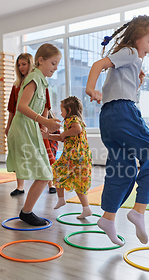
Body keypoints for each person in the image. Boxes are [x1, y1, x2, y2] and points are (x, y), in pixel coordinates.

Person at [85, 15, 149, 245]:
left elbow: (118, 83)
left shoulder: (130, 58)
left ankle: (108, 218)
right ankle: (138, 211)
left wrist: (137, 80)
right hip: (123, 111)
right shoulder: (129, 52)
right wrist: (91, 90)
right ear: (137, 37)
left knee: (123, 168)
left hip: (109, 117)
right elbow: (98, 65)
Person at [6, 43, 62, 226]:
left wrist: (43, 125)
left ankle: (27, 211)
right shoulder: (34, 78)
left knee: (46, 172)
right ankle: (26, 212)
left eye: (57, 64)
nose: (55, 68)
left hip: (30, 129)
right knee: (45, 174)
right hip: (22, 130)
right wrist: (44, 121)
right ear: (41, 60)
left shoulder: (41, 80)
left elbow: (40, 107)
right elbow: (21, 106)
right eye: (53, 63)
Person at [6, 53, 55, 197]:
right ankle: (20, 187)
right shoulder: (17, 86)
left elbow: (46, 106)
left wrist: (44, 124)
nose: (21, 67)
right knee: (20, 155)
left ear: (31, 63)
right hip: (22, 124)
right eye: (19, 65)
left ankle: (50, 183)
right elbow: (13, 108)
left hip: (37, 123)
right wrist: (8, 125)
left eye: (24, 64)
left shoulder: (39, 81)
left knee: (44, 154)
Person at [44, 97, 92, 218]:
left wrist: (64, 133)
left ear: (69, 110)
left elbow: (77, 129)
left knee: (75, 180)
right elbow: (61, 138)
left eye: (62, 110)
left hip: (77, 156)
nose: (60, 113)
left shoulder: (73, 119)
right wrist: (48, 136)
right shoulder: (70, 121)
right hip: (72, 156)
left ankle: (81, 206)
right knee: (59, 171)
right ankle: (67, 201)